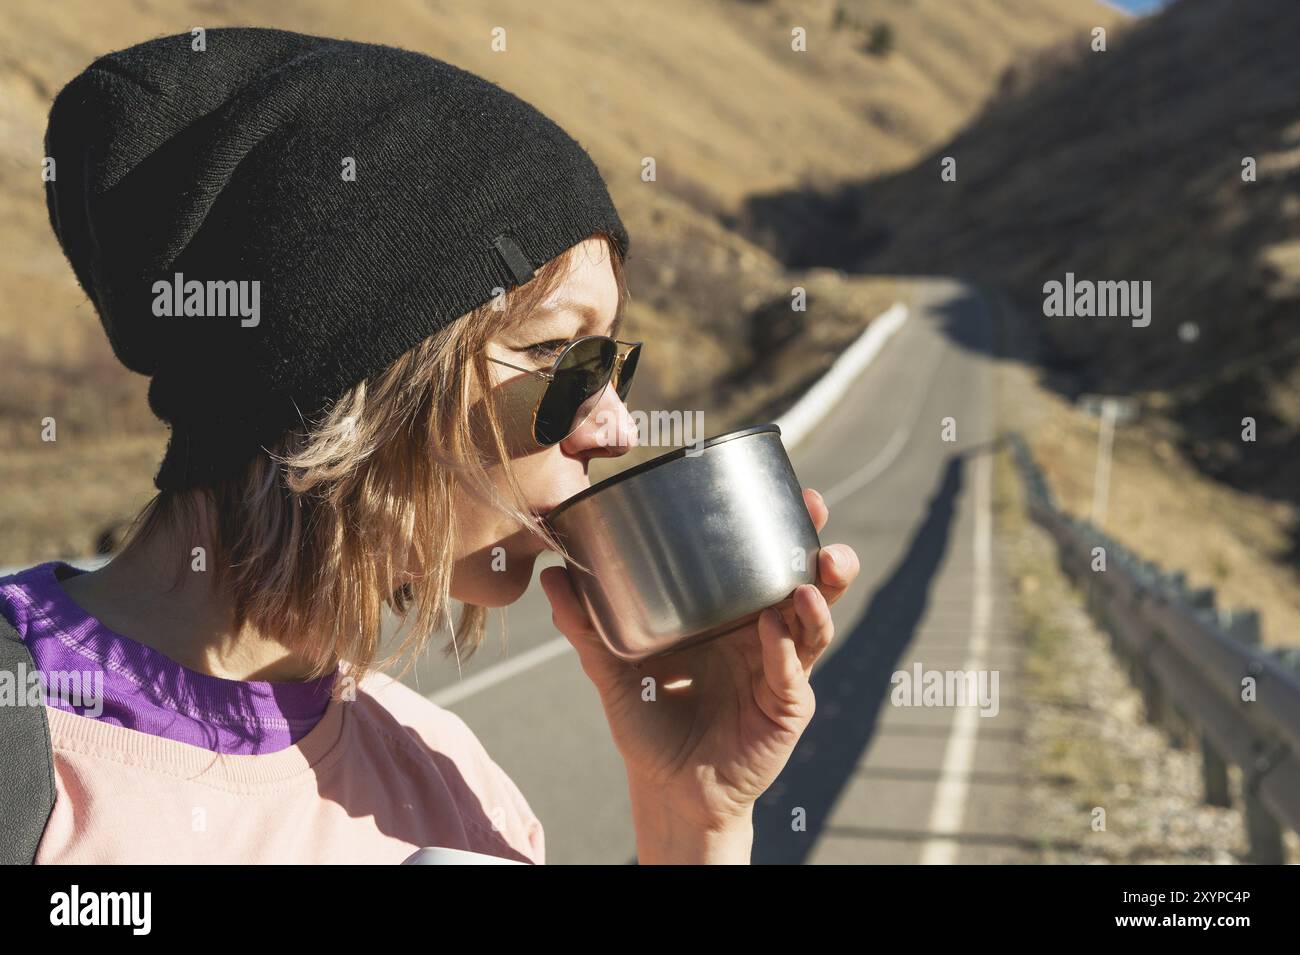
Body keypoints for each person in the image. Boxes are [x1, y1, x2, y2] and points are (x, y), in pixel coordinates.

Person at [0, 27, 860, 864]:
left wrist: (690, 825)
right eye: (558, 356)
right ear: (365, 373)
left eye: (614, 367)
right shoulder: (26, 758)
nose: (618, 428)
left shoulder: (463, 789)